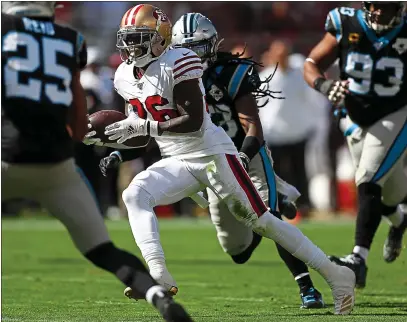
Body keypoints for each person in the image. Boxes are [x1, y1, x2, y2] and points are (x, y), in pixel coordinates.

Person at [89, 4, 356, 315]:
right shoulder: (124, 75)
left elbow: (193, 121)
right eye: (128, 39)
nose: (131, 47)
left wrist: (143, 126)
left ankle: (337, 276)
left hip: (213, 154)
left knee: (262, 221)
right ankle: (158, 274)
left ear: (161, 39)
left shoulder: (180, 61)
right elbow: (144, 134)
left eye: (139, 38)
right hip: (175, 158)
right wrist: (110, 138)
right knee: (135, 193)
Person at [0, 3, 192, 321]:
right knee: (103, 250)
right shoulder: (71, 40)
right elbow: (77, 123)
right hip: (56, 165)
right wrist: (88, 136)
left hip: (6, 157)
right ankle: (160, 298)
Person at [171, 13, 324, 309]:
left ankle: (307, 286)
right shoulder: (171, 78)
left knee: (269, 218)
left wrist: (241, 157)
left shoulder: (230, 72)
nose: (193, 57)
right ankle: (275, 197)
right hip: (212, 161)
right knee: (237, 250)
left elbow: (253, 125)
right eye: (186, 50)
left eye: (199, 49)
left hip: (247, 152)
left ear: (213, 45)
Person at [304, 1, 407, 289]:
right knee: (389, 194)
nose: (378, 12)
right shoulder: (345, 22)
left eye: (386, 7)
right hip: (354, 118)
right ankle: (400, 221)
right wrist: (324, 86)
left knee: (368, 179)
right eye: (373, 5)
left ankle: (358, 259)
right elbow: (312, 64)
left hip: (395, 116)